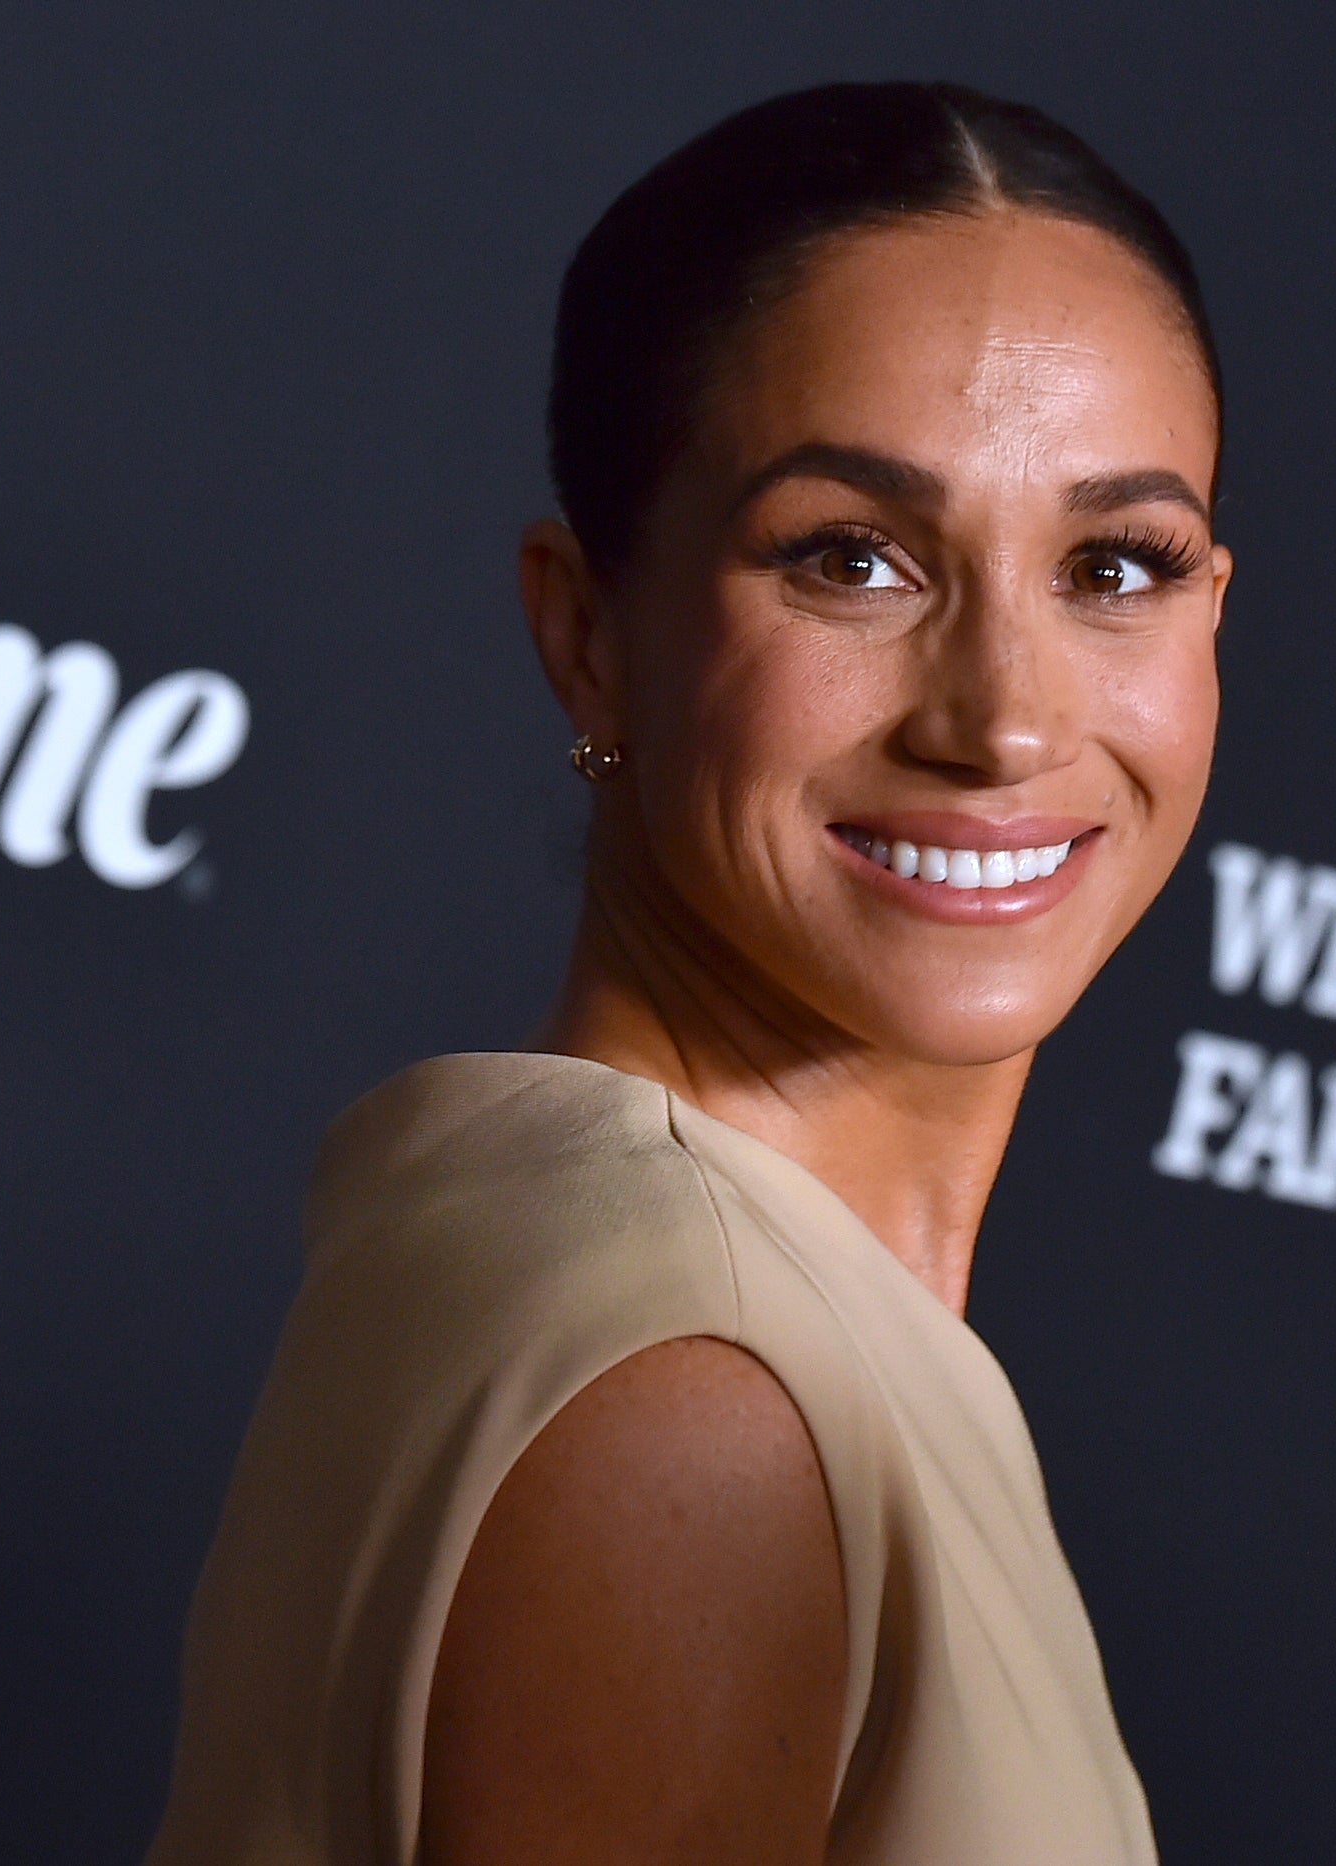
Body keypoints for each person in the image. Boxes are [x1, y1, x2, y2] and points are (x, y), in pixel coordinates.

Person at [148, 80, 1229, 1865]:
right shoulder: (709, 1390)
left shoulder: (587, 1255)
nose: (1006, 716)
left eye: (1113, 564)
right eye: (852, 558)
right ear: (587, 632)